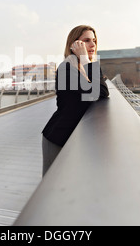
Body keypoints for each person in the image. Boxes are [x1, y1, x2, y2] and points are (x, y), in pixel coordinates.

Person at [41, 25, 109, 176]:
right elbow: (100, 92)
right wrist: (85, 59)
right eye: (86, 41)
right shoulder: (67, 68)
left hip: (76, 137)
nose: (92, 45)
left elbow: (102, 91)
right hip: (57, 137)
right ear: (74, 44)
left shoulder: (88, 66)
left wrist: (87, 61)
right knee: (51, 185)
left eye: (94, 40)